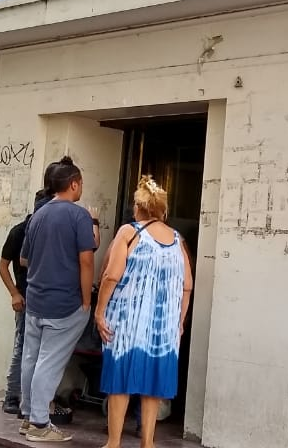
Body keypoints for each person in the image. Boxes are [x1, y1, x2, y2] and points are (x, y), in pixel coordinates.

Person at [95, 176, 193, 448]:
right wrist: (179, 321)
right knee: (153, 385)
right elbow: (187, 285)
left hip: (127, 322)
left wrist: (99, 312)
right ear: (162, 210)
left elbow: (111, 276)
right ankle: (148, 442)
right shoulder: (177, 240)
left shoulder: (129, 232)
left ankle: (113, 442)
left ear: (138, 208)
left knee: (120, 381)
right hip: (163, 328)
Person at [19, 156, 97, 442]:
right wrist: (86, 300)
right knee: (49, 363)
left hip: (35, 299)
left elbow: (24, 259)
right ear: (74, 184)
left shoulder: (38, 215)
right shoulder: (79, 216)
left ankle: (28, 416)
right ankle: (40, 424)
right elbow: (86, 261)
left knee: (31, 358)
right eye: (81, 184)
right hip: (65, 303)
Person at [0, 176, 57, 415]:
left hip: (45, 297)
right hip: (25, 297)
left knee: (41, 351)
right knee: (22, 347)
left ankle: (34, 400)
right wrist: (14, 293)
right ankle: (12, 396)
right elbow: (3, 266)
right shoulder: (20, 231)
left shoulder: (49, 231)